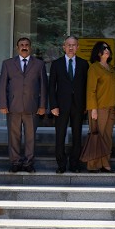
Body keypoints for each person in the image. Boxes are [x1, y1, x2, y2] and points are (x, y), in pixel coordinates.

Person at [0, 37, 48, 173]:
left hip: (32, 106)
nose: (24, 47)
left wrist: (42, 105)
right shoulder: (8, 64)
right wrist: (3, 104)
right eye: (21, 45)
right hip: (13, 106)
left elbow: (44, 86)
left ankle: (28, 163)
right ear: (17, 47)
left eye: (26, 45)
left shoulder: (39, 64)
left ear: (30, 47)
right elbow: (2, 85)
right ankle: (15, 162)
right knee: (14, 136)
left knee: (31, 137)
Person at [48, 35, 89, 173]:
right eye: (68, 45)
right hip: (60, 106)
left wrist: (86, 106)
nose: (71, 48)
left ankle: (74, 164)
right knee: (60, 135)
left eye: (74, 45)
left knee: (77, 136)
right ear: (63, 47)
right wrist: (53, 105)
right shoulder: (56, 64)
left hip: (78, 106)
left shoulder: (84, 64)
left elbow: (86, 87)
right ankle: (61, 164)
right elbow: (51, 86)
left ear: (78, 47)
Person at [85, 41, 115, 172]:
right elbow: (91, 90)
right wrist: (93, 109)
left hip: (111, 107)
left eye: (108, 48)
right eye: (104, 48)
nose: (107, 50)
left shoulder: (111, 69)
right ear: (98, 52)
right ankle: (94, 165)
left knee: (107, 136)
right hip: (99, 108)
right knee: (97, 136)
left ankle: (105, 162)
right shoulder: (94, 67)